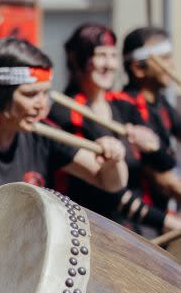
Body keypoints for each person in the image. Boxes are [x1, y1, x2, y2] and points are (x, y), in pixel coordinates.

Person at [0, 37, 128, 233]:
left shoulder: (41, 131)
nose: (42, 105)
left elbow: (109, 183)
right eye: (31, 94)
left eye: (45, 93)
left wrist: (114, 160)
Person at [47, 23, 179, 235]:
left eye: (112, 55)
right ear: (77, 59)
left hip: (136, 228)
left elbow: (165, 165)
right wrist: (171, 223)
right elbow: (106, 192)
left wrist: (153, 147)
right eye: (100, 55)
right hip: (92, 230)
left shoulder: (123, 105)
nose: (109, 64)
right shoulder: (66, 113)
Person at [121, 26, 181, 218]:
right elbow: (161, 178)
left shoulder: (161, 103)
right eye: (164, 59)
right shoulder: (126, 106)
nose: (171, 65)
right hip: (140, 223)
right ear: (138, 68)